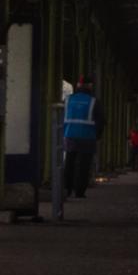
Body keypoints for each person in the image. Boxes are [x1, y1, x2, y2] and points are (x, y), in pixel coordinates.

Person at [59, 77, 103, 208]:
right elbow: (101, 121)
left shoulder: (67, 100)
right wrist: (97, 135)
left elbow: (59, 117)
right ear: (90, 87)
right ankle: (79, 191)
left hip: (70, 135)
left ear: (77, 86)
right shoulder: (94, 102)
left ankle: (67, 189)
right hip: (87, 137)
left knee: (69, 163)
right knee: (84, 165)